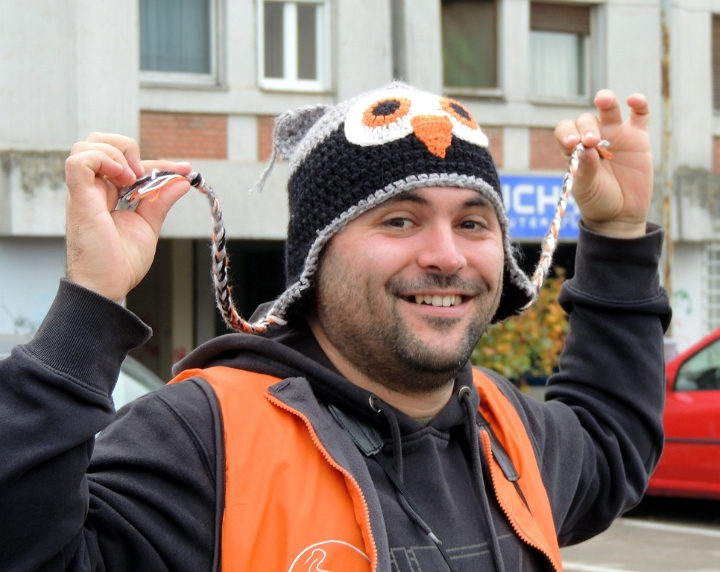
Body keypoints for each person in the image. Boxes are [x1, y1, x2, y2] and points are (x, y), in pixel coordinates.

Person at [0, 83, 670, 572]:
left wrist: (615, 235)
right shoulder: (200, 438)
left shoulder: (510, 432)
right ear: (314, 263)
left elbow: (613, 441)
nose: (446, 255)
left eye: (473, 222)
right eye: (399, 220)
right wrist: (89, 303)